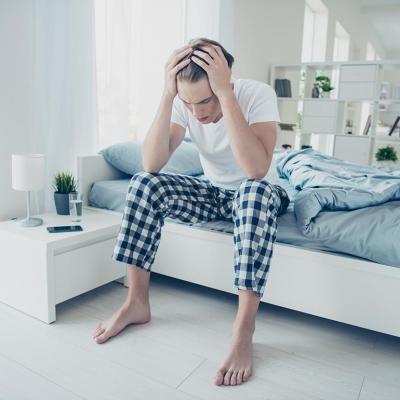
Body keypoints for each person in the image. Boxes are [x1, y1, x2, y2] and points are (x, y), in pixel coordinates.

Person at [93, 37, 289, 387]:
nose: (198, 112)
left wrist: (226, 97)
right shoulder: (184, 103)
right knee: (143, 183)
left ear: (225, 81)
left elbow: (256, 169)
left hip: (261, 191)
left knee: (254, 192)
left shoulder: (256, 94)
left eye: (206, 100)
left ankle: (244, 329)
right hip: (213, 193)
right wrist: (169, 97)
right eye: (189, 102)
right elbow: (152, 163)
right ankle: (136, 302)